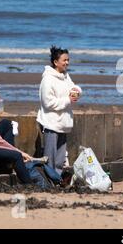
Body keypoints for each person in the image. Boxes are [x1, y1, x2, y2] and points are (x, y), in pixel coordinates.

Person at [37, 46, 82, 175]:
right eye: (64, 60)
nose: (67, 63)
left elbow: (74, 88)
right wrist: (68, 100)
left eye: (68, 60)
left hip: (63, 123)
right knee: (50, 158)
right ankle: (49, 181)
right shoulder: (47, 79)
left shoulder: (66, 76)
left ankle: (57, 180)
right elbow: (48, 103)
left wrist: (77, 91)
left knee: (60, 159)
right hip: (51, 123)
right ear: (56, 62)